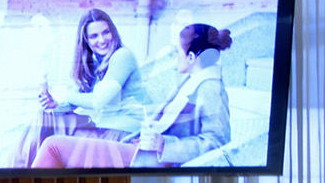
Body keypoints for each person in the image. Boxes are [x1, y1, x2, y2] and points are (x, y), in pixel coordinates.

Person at [15, 9, 147, 169]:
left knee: (51, 142)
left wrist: (64, 94)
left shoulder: (123, 56)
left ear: (113, 32)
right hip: (103, 131)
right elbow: (74, 99)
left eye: (106, 32)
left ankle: (19, 172)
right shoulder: (96, 63)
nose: (102, 40)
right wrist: (54, 104)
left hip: (123, 136)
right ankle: (19, 169)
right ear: (85, 40)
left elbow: (97, 101)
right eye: (94, 36)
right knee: (45, 116)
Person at [130, 22, 236, 168]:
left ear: (191, 57)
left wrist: (164, 145)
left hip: (170, 167)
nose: (174, 56)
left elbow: (217, 143)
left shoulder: (210, 89)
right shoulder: (190, 80)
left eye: (177, 51)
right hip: (150, 157)